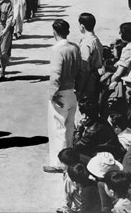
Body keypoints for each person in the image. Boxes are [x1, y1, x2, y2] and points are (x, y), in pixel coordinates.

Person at [44, 19, 83, 173]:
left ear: (54, 32)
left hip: (60, 93)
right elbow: (81, 70)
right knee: (69, 128)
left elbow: (55, 74)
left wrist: (52, 94)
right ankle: (69, 160)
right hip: (72, 91)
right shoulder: (74, 48)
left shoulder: (57, 50)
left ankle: (58, 163)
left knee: (57, 128)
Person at [77, 13, 103, 100]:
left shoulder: (86, 42)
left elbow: (84, 68)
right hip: (97, 76)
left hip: (89, 80)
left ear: (82, 26)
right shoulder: (96, 39)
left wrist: (79, 88)